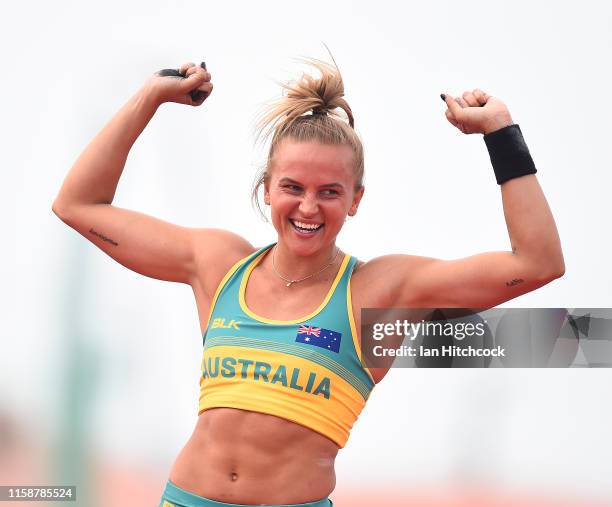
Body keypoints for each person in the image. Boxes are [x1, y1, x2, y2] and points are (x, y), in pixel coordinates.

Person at [52, 56, 565, 507]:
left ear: (355, 200)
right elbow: (78, 205)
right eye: (292, 188)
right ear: (266, 190)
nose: (308, 207)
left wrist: (499, 130)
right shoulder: (217, 264)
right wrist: (150, 97)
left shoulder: (378, 292)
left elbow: (538, 262)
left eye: (330, 192)